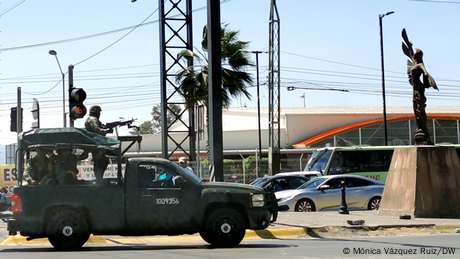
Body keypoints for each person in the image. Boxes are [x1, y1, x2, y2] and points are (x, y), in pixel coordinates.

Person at [85, 105, 111, 185]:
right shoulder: (93, 119)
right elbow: (96, 130)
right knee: (101, 161)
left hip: (95, 144)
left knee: (101, 161)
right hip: (96, 144)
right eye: (99, 112)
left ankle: (99, 179)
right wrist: (106, 131)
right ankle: (99, 180)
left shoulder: (90, 119)